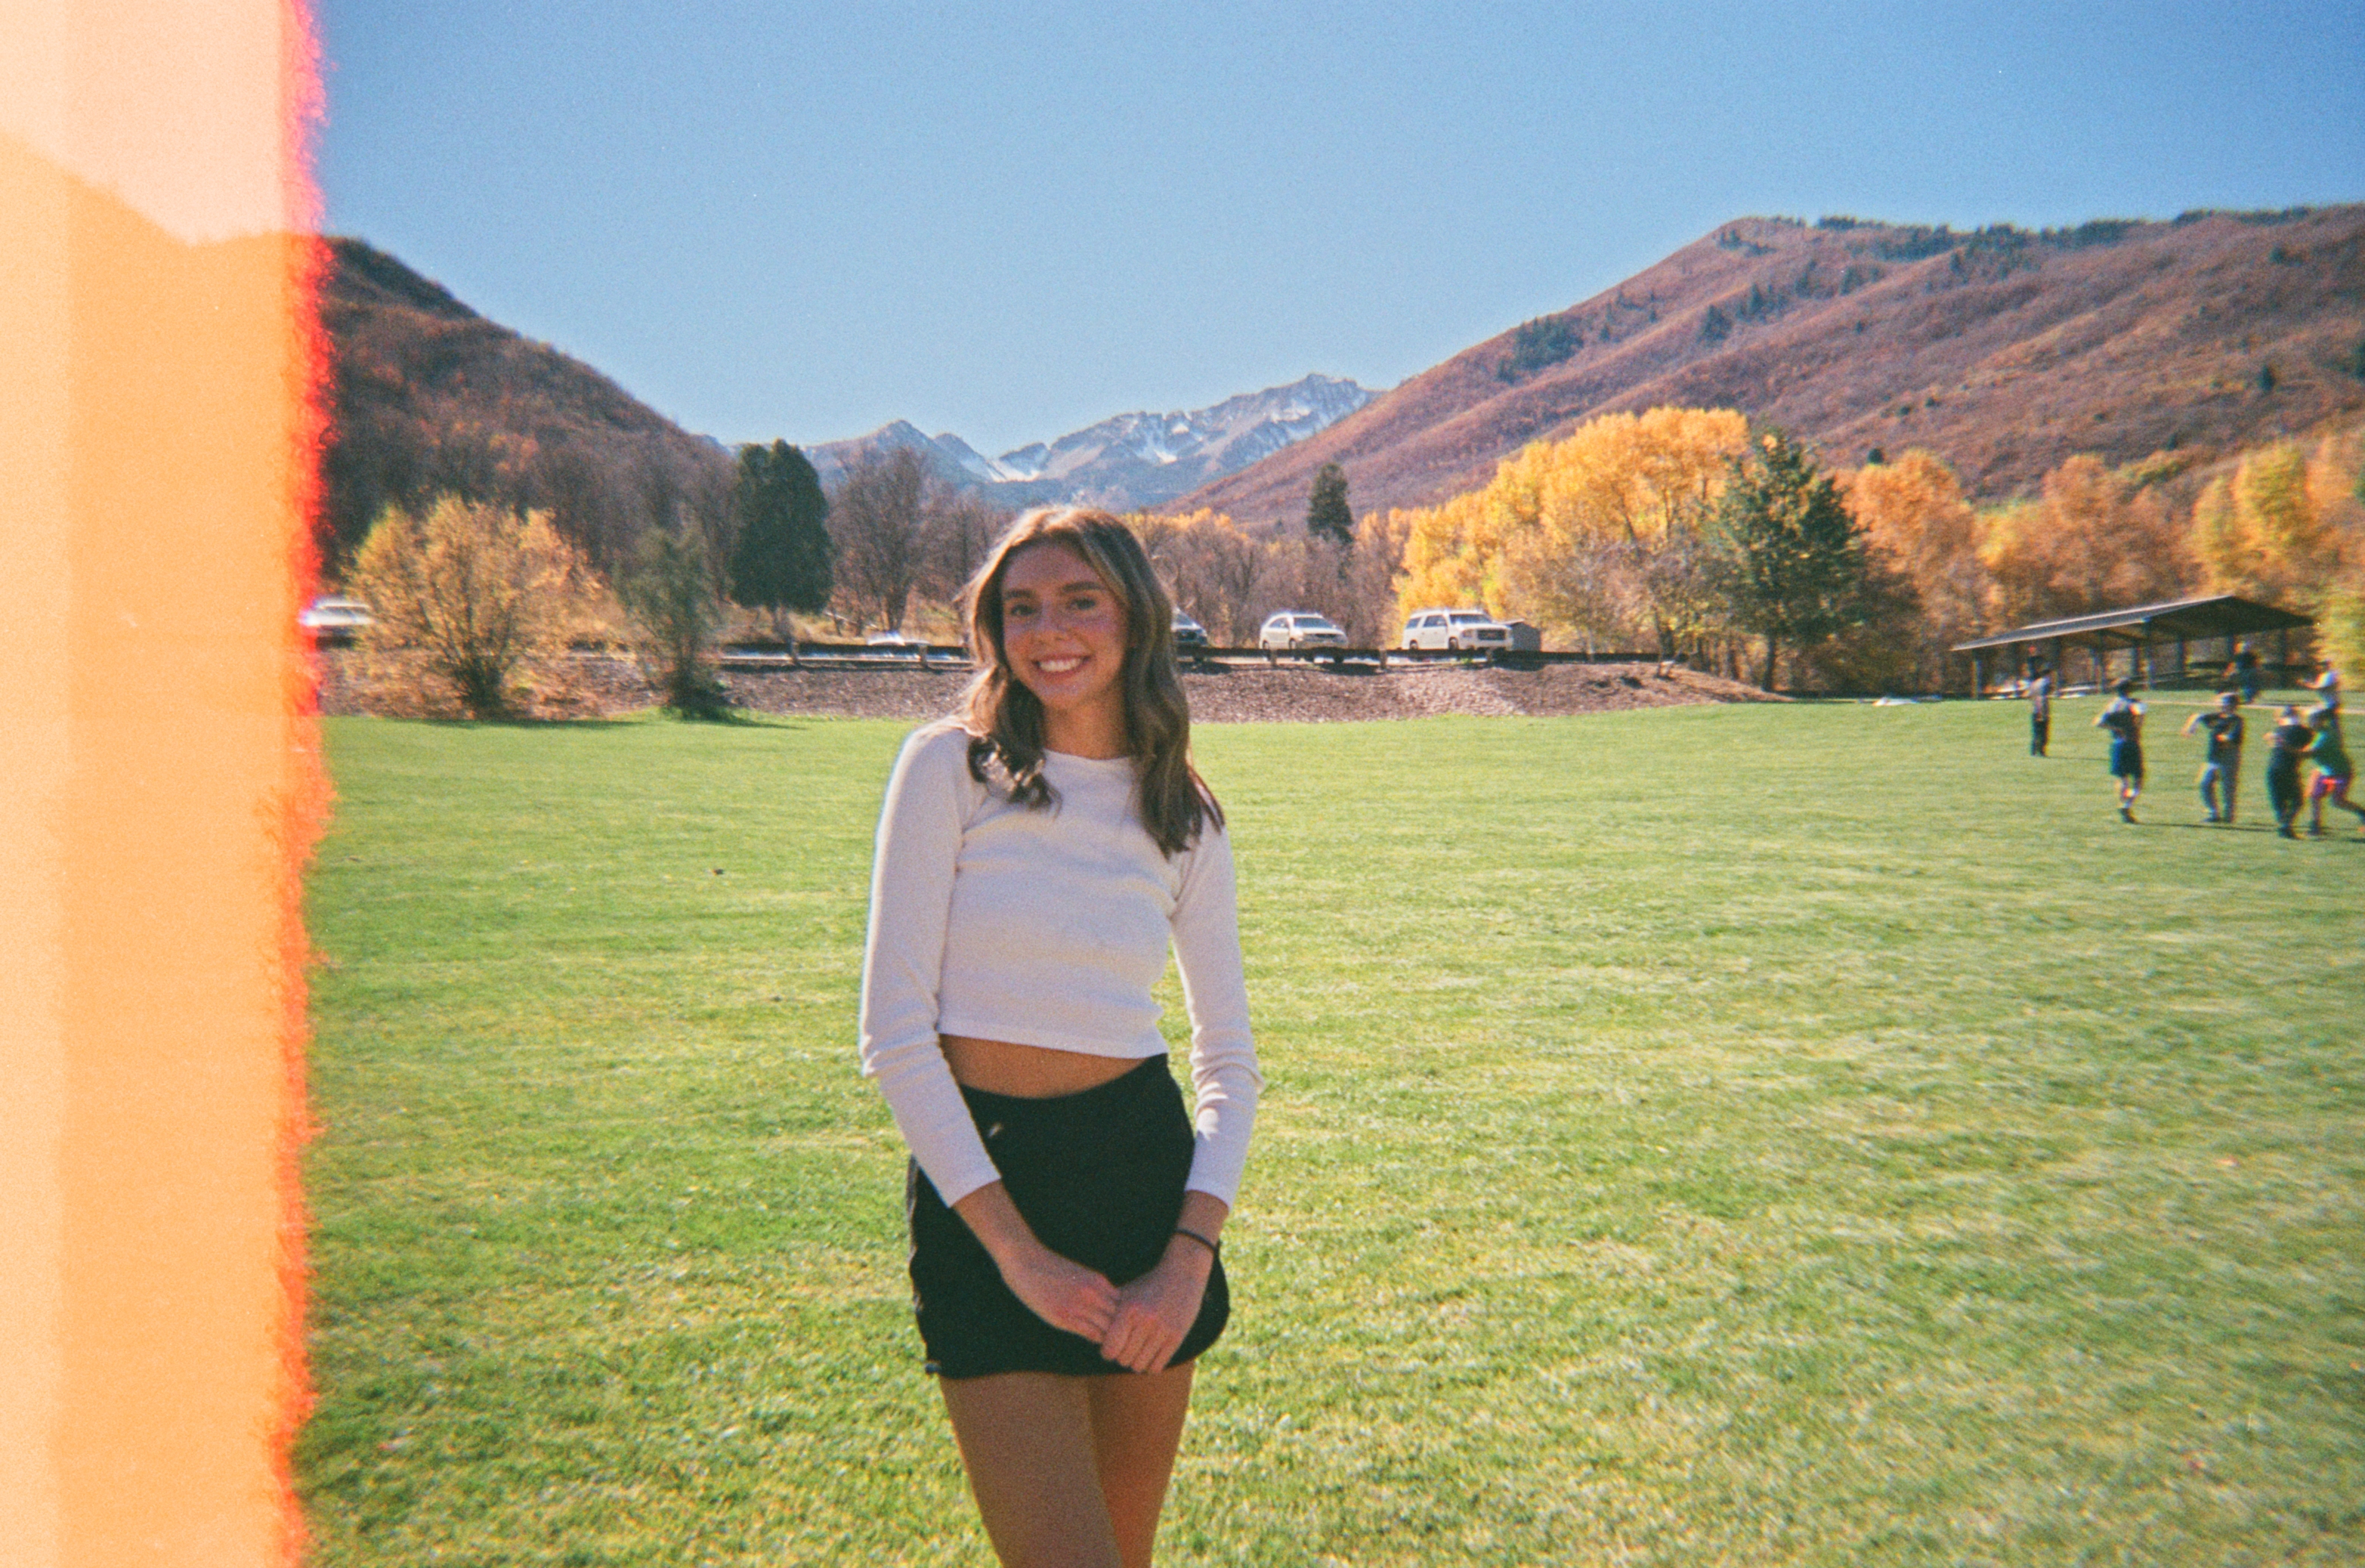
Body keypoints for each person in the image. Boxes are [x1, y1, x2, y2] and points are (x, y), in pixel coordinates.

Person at [858, 506, 1260, 1568]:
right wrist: (1016, 1253)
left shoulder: (1184, 813)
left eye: (1080, 599)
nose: (1050, 629)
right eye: (1021, 606)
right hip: (987, 1195)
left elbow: (1227, 1059)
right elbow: (895, 1035)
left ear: (1134, 618)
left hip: (1139, 1183)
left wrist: (1186, 1255)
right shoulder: (949, 767)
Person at [2180, 691, 2245, 824]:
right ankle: (2213, 813)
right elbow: (2197, 716)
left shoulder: (2237, 720)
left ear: (2233, 705)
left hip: (2229, 756)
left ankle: (2229, 817)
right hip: (2213, 757)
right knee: (2204, 782)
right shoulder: (2217, 717)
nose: (2220, 705)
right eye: (2220, 703)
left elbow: (2235, 737)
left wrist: (2225, 738)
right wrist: (2190, 727)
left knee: (2228, 787)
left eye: (2224, 703)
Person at [2305, 704, 2364, 839]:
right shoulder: (2318, 733)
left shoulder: (2325, 736)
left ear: (2322, 720)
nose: (2312, 722)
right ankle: (2315, 827)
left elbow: (2308, 753)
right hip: (2325, 771)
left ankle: (2363, 814)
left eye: (2315, 719)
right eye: (2311, 719)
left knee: (2337, 801)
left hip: (2340, 772)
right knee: (2314, 796)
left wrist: (2286, 749)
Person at [2094, 678, 2145, 822]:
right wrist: (2137, 726)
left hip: (2117, 744)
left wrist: (2116, 728)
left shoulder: (2112, 705)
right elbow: (2140, 717)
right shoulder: (2134, 703)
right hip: (2132, 743)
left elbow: (2099, 723)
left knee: (2122, 779)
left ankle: (2122, 805)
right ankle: (2127, 805)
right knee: (2138, 779)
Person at [2265, 705, 2312, 839]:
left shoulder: (2279, 730)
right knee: (2297, 801)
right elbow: (2306, 751)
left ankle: (2284, 828)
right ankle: (2285, 826)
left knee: (2279, 802)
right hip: (2289, 769)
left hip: (2272, 769)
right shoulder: (2305, 731)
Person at [2026, 658, 2054, 756]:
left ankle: (2033, 751)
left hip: (2034, 710)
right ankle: (2041, 752)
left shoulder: (2035, 683)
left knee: (2036, 732)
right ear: (2048, 674)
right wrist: (2042, 713)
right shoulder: (2045, 684)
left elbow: (2029, 696)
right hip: (2041, 710)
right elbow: (2042, 698)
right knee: (2043, 733)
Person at [2227, 643, 2264, 707]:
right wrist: (2231, 671)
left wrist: (2258, 669)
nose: (2244, 649)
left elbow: (2257, 663)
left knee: (2248, 685)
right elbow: (2234, 664)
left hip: (2249, 671)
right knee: (2241, 684)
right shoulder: (2239, 656)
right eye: (2243, 648)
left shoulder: (2251, 655)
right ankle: (2236, 698)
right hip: (2241, 672)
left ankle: (2249, 698)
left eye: (2245, 648)